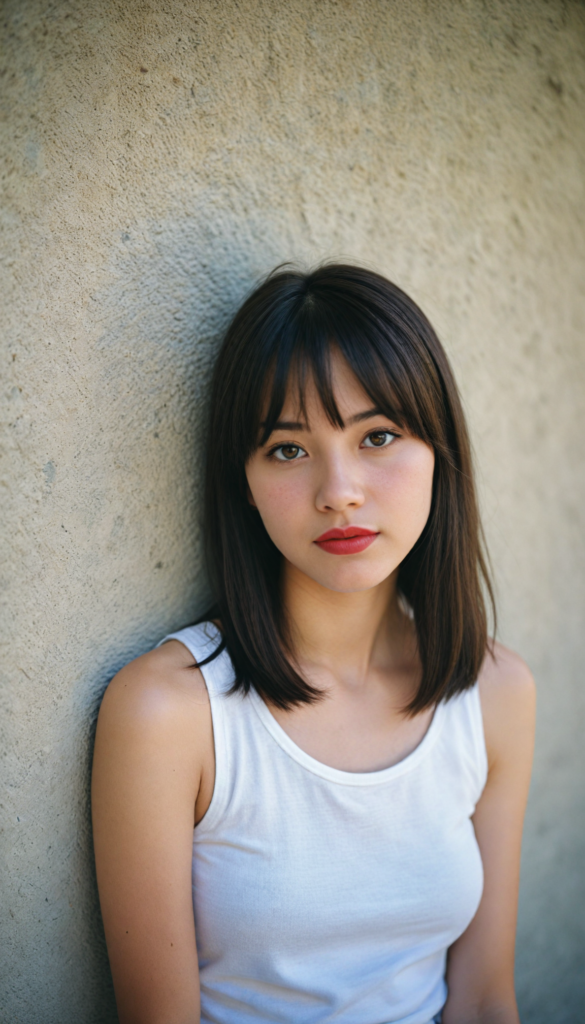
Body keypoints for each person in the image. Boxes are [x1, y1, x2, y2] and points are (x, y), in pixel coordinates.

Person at [92, 263, 535, 1024]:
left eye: (378, 437)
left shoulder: (493, 692)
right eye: (288, 450)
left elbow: (486, 998)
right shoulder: (169, 712)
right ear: (244, 479)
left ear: (439, 452)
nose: (339, 492)